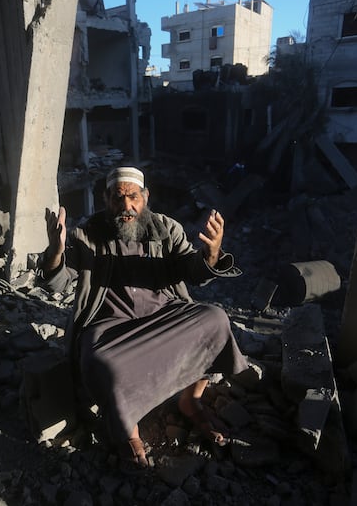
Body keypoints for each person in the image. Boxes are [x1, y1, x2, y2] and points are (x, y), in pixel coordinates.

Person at [39, 166, 249, 471]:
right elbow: (58, 283)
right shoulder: (86, 234)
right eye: (118, 198)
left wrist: (212, 253)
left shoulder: (166, 229)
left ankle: (190, 400)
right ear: (106, 199)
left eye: (133, 197)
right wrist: (56, 253)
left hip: (163, 316)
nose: (126, 206)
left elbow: (194, 273)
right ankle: (129, 427)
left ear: (145, 197)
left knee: (215, 318)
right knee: (101, 363)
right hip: (111, 325)